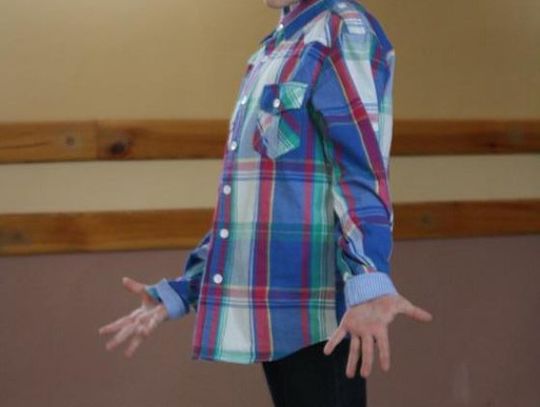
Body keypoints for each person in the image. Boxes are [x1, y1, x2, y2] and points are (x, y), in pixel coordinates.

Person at [98, 0, 434, 405]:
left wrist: (368, 277)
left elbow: (360, 170)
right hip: (277, 310)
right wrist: (185, 288)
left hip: (321, 315)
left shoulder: (342, 29)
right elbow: (253, 202)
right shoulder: (271, 51)